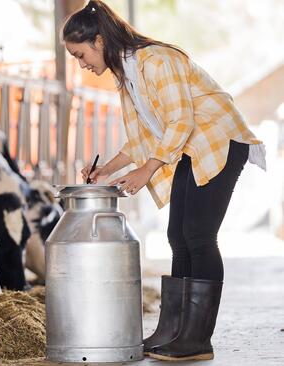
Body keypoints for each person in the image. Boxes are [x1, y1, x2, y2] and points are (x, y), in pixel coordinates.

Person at [63, 0, 266, 362]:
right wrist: (106, 169)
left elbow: (180, 120)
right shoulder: (125, 75)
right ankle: (173, 330)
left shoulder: (156, 60)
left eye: (80, 55)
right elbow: (142, 137)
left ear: (98, 41)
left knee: (199, 236)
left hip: (219, 140)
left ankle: (197, 340)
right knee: (178, 236)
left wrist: (148, 169)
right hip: (192, 146)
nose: (81, 64)